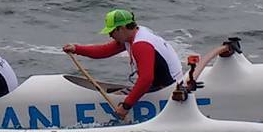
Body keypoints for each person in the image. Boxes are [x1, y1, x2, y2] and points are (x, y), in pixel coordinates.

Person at [63, 8, 193, 120]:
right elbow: (104, 51)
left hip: (167, 89)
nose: (109, 35)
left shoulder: (141, 44)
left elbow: (146, 80)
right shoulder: (136, 33)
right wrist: (76, 49)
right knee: (116, 94)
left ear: (122, 28)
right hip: (163, 84)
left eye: (112, 31)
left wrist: (126, 106)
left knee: (116, 97)